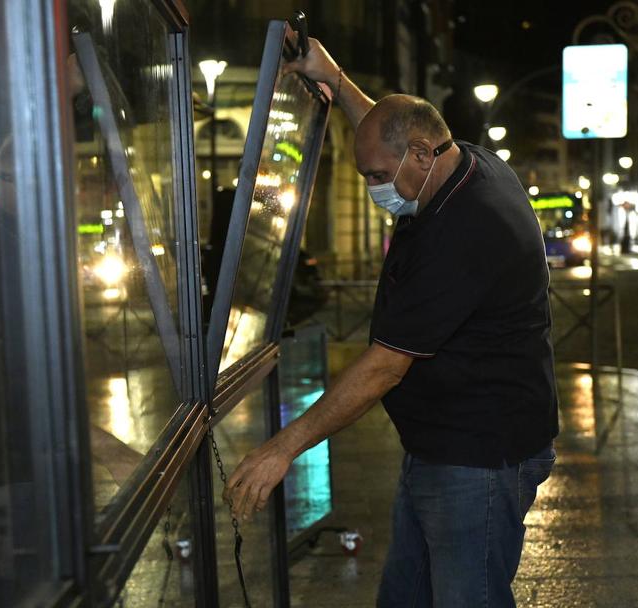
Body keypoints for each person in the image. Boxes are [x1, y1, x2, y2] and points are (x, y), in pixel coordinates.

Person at [225, 38, 558, 607]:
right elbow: (387, 130)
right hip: (442, 445)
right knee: (405, 597)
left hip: (478, 456)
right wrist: (329, 73)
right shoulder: (458, 161)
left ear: (423, 156)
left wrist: (283, 447)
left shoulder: (465, 230)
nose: (372, 187)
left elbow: (385, 367)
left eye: (377, 175)